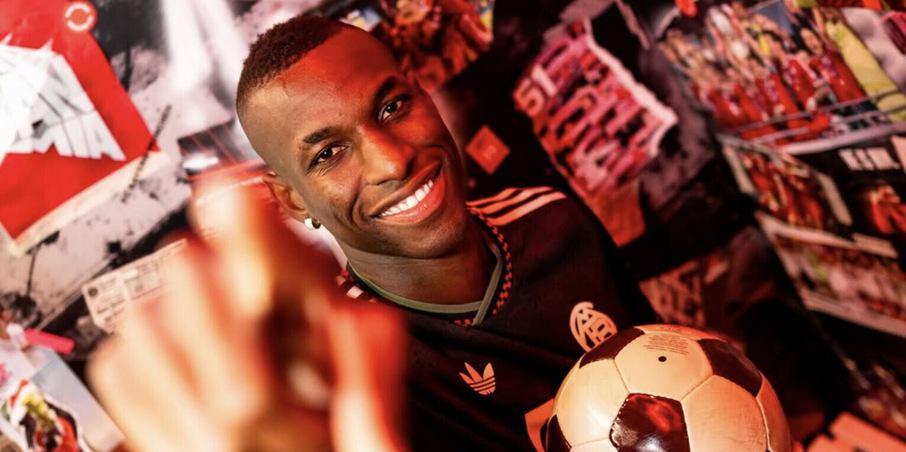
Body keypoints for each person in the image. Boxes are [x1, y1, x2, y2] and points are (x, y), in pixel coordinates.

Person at [88, 14, 655, 451]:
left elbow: (667, 356)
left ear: (425, 95)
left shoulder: (554, 220)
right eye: (328, 154)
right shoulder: (339, 365)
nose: (391, 161)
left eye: (392, 107)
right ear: (292, 199)